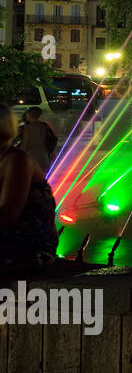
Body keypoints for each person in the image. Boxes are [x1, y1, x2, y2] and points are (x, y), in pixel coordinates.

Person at [0, 104, 59, 269]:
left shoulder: (16, 161)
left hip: (28, 245)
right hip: (41, 156)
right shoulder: (43, 126)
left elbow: (7, 215)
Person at [17, 106, 58, 175]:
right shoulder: (45, 126)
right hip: (44, 156)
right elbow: (51, 140)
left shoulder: (28, 128)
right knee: (43, 177)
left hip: (32, 157)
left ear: (29, 115)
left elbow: (24, 145)